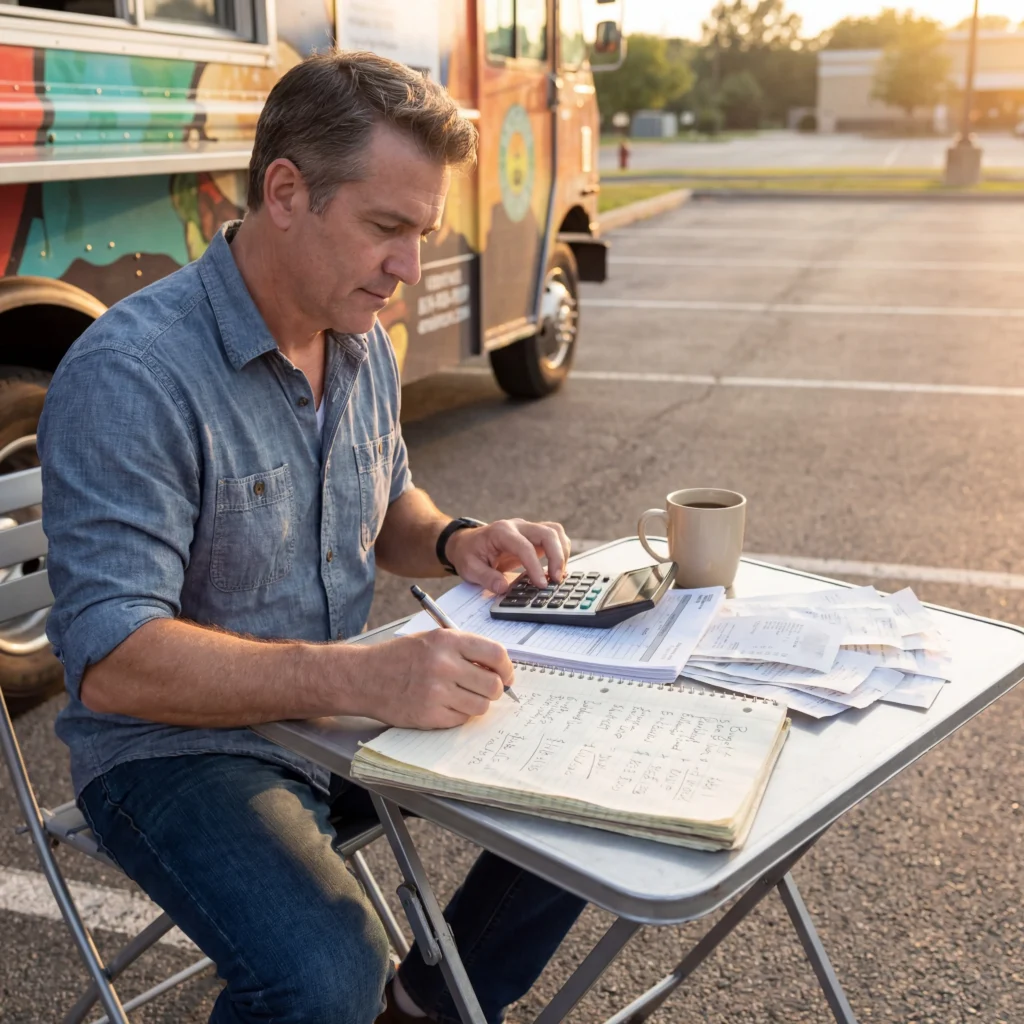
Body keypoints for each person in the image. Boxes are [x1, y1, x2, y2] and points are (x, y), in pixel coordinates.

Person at [38, 51, 586, 1024]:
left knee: (587, 784)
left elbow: (387, 508)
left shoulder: (357, 334)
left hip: (327, 729)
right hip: (172, 755)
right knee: (326, 968)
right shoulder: (131, 374)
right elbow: (115, 663)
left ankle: (426, 1007)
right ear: (285, 191)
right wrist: (361, 680)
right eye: (387, 228)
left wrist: (458, 539)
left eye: (422, 233)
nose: (410, 268)